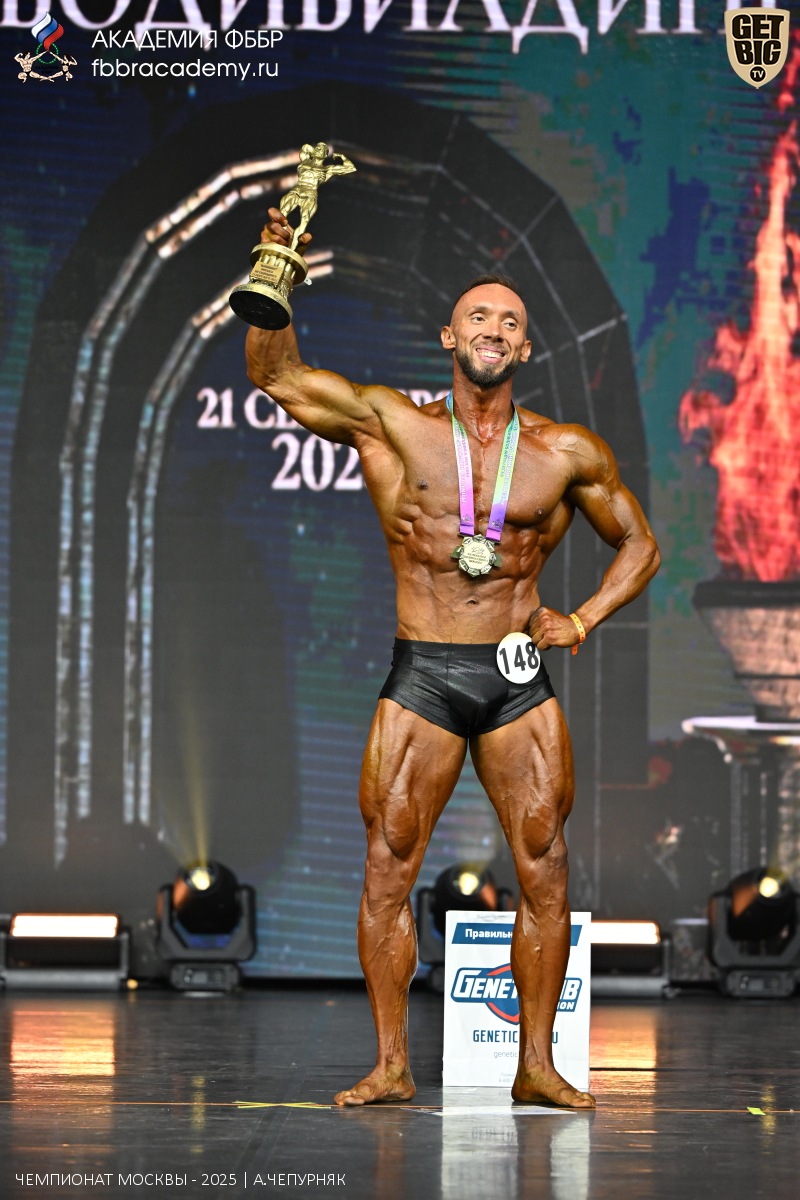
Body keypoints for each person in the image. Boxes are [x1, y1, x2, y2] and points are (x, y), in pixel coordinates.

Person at [245, 207, 660, 1109]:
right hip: (426, 672)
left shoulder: (564, 452)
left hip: (516, 678)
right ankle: (392, 1064)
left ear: (525, 347)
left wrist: (583, 619)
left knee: (545, 863)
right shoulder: (393, 426)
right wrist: (277, 262)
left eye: (510, 321)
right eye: (479, 316)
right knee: (388, 862)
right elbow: (277, 376)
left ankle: (536, 1065)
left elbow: (640, 545)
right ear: (449, 336)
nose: (494, 329)